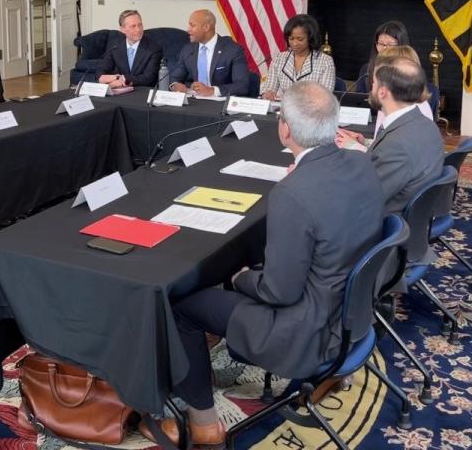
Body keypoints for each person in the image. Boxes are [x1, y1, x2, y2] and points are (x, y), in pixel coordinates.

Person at [141, 82, 384, 446]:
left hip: (305, 331)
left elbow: (279, 292)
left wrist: (240, 278)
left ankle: (204, 425)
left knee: (181, 308)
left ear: (285, 128)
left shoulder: (292, 193)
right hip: (350, 316)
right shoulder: (361, 161)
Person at [360, 55, 444, 216]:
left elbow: (364, 198)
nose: (372, 88)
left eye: (374, 83)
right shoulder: (426, 125)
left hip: (383, 224)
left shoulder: (396, 146)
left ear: (383, 92)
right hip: (410, 214)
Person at [336, 46, 433, 150]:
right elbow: (385, 146)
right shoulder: (393, 103)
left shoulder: (411, 115)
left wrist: (353, 145)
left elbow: (386, 160)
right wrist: (364, 142)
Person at [169, 9, 249, 97]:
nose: (188, 30)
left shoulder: (233, 50)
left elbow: (242, 85)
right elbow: (175, 77)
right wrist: (175, 85)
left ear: (206, 27)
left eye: (192, 25)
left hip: (219, 104)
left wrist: (212, 90)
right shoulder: (188, 49)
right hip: (193, 101)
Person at [260, 14, 335, 99]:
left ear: (310, 38)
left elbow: (324, 96)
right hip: (285, 109)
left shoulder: (325, 61)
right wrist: (268, 93)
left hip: (312, 110)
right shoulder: (279, 59)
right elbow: (269, 88)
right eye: (291, 39)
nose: (295, 43)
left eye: (300, 39)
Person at [96, 10, 163, 88]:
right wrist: (115, 78)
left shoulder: (154, 49)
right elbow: (101, 72)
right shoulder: (115, 47)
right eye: (133, 26)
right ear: (122, 29)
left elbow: (149, 78)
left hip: (141, 92)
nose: (138, 29)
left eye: (140, 25)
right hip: (120, 92)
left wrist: (124, 79)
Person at [354, 20, 410, 93]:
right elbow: (358, 100)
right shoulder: (366, 70)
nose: (385, 48)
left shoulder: (411, 71)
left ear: (401, 46)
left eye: (390, 44)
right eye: (381, 43)